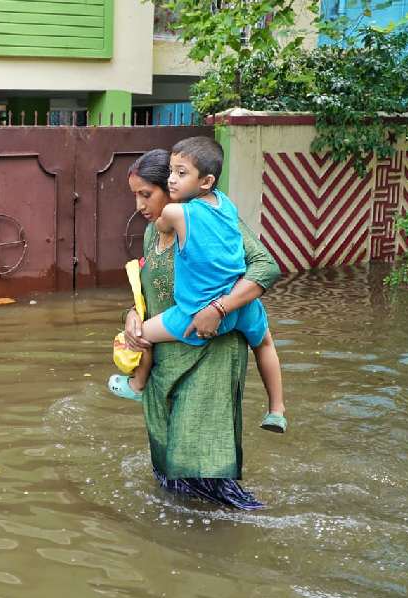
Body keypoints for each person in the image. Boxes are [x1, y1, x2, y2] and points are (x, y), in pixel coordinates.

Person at [108, 147, 281, 509]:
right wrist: (132, 314)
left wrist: (219, 308)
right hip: (165, 356)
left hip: (211, 351)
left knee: (202, 459)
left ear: (173, 190)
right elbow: (150, 288)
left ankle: (242, 529)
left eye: (147, 194)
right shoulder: (151, 234)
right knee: (170, 466)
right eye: (135, 195)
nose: (139, 205)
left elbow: (265, 266)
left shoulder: (207, 219)